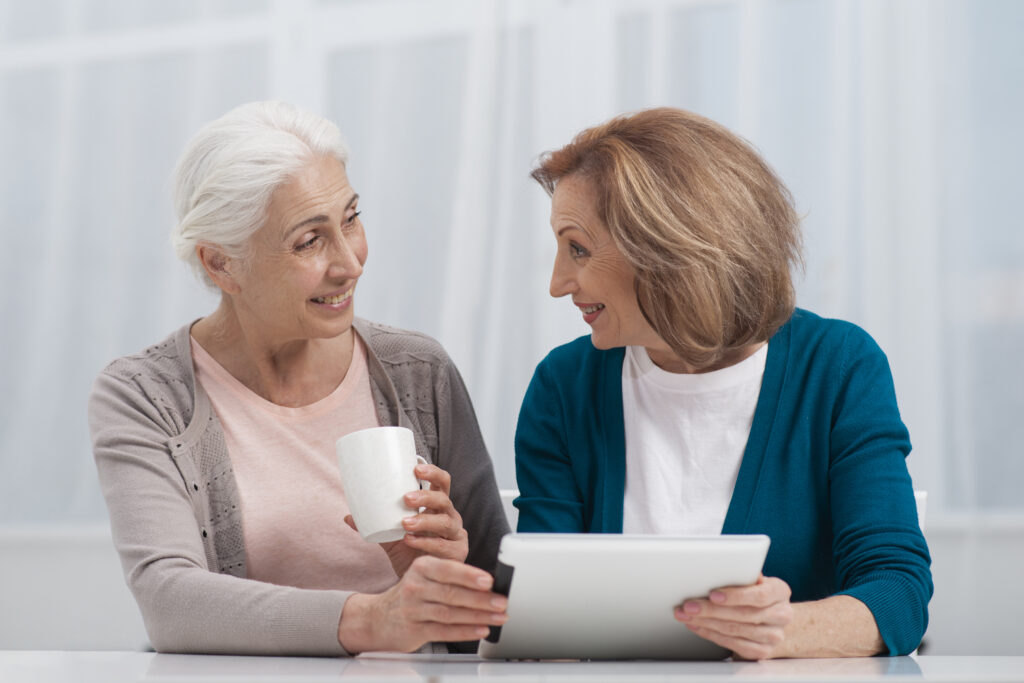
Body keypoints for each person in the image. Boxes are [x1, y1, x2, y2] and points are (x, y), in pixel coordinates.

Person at [88, 101, 509, 656]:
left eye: (351, 220)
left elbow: (504, 600)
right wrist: (374, 619)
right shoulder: (146, 395)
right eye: (309, 240)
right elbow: (170, 601)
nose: (350, 262)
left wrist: (440, 570)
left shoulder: (418, 370)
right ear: (221, 264)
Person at [514, 107, 932, 659]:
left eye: (579, 249)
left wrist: (780, 631)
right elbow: (545, 614)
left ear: (668, 251)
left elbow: (897, 590)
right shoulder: (562, 387)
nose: (557, 283)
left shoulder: (838, 366)